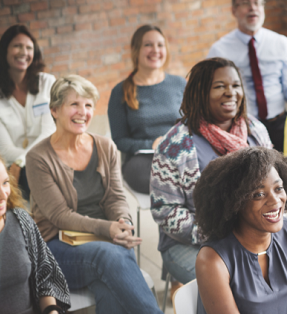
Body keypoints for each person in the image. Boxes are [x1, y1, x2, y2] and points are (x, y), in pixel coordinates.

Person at [26, 74, 163, 314]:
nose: (83, 111)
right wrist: (107, 229)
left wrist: (123, 223)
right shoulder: (38, 157)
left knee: (108, 284)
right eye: (74, 104)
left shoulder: (104, 145)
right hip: (56, 246)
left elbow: (115, 197)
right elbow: (60, 215)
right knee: (110, 254)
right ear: (55, 110)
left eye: (88, 105)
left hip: (103, 241)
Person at [150, 57, 272, 286]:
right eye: (219, 86)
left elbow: (276, 185)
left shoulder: (255, 131)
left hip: (256, 235)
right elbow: (164, 210)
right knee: (241, 286)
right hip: (194, 243)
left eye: (235, 86)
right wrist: (223, 233)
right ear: (199, 93)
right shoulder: (174, 146)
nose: (230, 93)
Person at [195, 147, 287, 314]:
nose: (275, 201)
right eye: (258, 194)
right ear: (234, 204)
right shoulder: (212, 260)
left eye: (278, 188)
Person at [0, 147, 70, 314]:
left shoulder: (21, 221)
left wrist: (51, 311)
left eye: (5, 183)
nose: (3, 194)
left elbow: (45, 276)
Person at [108, 24, 186, 194]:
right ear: (136, 50)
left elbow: (193, 124)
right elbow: (120, 140)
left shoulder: (179, 84)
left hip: (180, 153)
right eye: (148, 45)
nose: (155, 50)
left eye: (160, 45)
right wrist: (152, 144)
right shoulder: (120, 91)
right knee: (166, 181)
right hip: (142, 160)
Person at [207, 0, 287, 152]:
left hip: (280, 124)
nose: (253, 8)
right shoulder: (219, 50)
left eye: (257, 3)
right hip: (242, 128)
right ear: (234, 10)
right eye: (245, 3)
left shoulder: (282, 44)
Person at [0, 24, 56, 200]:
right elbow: (4, 149)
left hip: (43, 159)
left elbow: (49, 132)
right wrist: (20, 163)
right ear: (4, 51)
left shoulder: (47, 83)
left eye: (29, 48)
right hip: (11, 166)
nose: (23, 52)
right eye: (17, 46)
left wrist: (21, 161)